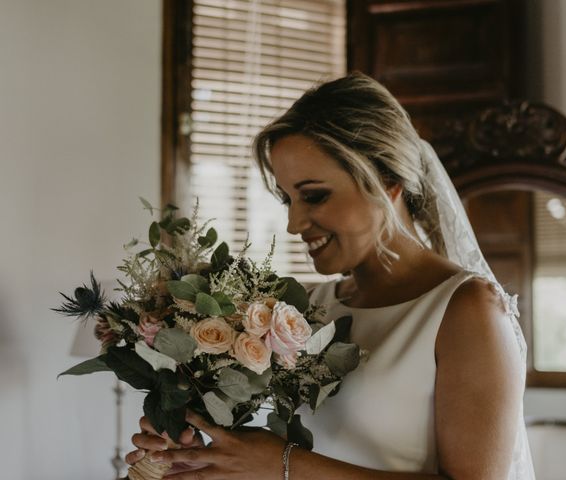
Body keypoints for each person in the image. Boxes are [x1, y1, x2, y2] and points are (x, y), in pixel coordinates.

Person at [126, 72, 536, 479]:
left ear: (387, 182)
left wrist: (282, 465)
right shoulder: (304, 310)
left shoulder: (466, 310)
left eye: (314, 195)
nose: (294, 223)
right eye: (287, 198)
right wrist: (200, 459)